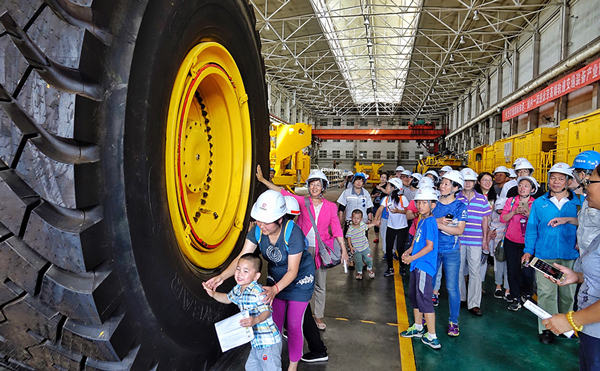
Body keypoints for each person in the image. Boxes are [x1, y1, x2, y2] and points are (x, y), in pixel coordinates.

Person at [205, 190, 315, 371]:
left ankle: (293, 367)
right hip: (276, 277)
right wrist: (221, 277)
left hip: (299, 280)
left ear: (280, 219)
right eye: (258, 219)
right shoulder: (258, 230)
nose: (260, 225)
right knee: (274, 321)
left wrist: (274, 290)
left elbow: (293, 270)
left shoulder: (292, 233)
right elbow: (243, 256)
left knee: (294, 324)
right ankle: (272, 362)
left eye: (266, 221)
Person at [256, 166, 347, 362]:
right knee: (298, 287)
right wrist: (264, 181)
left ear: (323, 187)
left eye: (318, 184)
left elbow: (337, 228)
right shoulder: (302, 201)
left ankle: (318, 317)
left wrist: (344, 249)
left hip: (322, 249)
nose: (314, 187)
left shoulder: (331, 206)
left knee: (319, 285)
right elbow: (282, 193)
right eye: (312, 184)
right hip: (301, 249)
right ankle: (300, 322)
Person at [542, 163, 600, 370]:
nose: (585, 187)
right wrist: (577, 276)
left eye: (589, 181)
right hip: (592, 330)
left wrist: (571, 320)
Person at [522, 163, 580, 345]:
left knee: (567, 294)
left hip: (569, 255)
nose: (556, 182)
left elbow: (587, 226)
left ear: (568, 181)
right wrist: (528, 251)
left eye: (561, 178)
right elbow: (532, 228)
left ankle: (565, 326)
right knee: (546, 293)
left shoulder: (579, 202)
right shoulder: (540, 203)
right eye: (553, 177)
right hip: (545, 254)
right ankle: (547, 328)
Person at [203, 254, 282, 371]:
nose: (240, 274)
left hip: (268, 342)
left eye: (246, 271)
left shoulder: (257, 291)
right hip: (256, 343)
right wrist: (213, 294)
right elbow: (228, 299)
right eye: (238, 269)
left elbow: (267, 312)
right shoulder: (238, 288)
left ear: (256, 276)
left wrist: (255, 320)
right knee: (251, 367)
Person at [400, 186, 441, 349]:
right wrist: (408, 251)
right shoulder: (421, 220)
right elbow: (418, 241)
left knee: (424, 299)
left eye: (425, 202)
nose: (420, 205)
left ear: (433, 205)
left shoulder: (430, 221)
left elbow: (429, 246)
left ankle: (432, 336)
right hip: (416, 264)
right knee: (415, 297)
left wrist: (412, 258)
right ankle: (418, 327)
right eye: (419, 202)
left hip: (424, 265)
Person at [431, 170, 467, 336]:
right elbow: (422, 222)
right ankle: (425, 315)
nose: (442, 186)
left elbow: (459, 230)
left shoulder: (460, 206)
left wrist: (439, 225)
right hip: (431, 250)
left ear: (456, 187)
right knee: (428, 286)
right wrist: (437, 222)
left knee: (452, 287)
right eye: (442, 183)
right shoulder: (433, 203)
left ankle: (454, 321)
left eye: (446, 184)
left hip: (451, 252)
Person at [500, 176, 538, 312]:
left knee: (528, 271)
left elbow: (540, 222)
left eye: (526, 186)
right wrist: (514, 212)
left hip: (528, 244)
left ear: (532, 189)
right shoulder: (511, 202)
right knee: (513, 270)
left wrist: (529, 215)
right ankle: (516, 297)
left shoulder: (536, 204)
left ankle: (527, 295)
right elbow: (503, 218)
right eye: (520, 185)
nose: (522, 188)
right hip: (511, 241)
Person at [457, 168, 491, 316]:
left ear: (475, 182)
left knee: (475, 272)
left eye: (470, 181)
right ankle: (460, 298)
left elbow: (485, 220)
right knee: (458, 271)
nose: (468, 183)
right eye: (465, 180)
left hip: (476, 240)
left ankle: (474, 303)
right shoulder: (456, 198)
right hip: (458, 240)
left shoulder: (482, 199)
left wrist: (485, 240)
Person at [338, 172, 374, 268]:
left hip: (363, 221)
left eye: (361, 181)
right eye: (357, 180)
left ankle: (363, 259)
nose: (359, 183)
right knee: (349, 240)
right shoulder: (346, 192)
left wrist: (370, 219)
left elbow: (369, 208)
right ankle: (351, 260)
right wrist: (341, 218)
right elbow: (341, 207)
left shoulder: (366, 193)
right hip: (350, 221)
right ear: (353, 181)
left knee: (363, 241)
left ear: (363, 183)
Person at [376, 178, 409, 277]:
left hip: (402, 227)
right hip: (391, 227)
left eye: (388, 186)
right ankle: (390, 268)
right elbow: (380, 209)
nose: (386, 187)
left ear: (393, 188)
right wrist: (376, 219)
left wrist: (399, 211)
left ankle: (402, 266)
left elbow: (409, 212)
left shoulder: (403, 199)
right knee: (389, 247)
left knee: (400, 248)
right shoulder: (386, 199)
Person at [346, 209, 377, 280]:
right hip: (357, 250)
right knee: (359, 262)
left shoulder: (362, 225)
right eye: (354, 218)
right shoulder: (350, 229)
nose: (356, 220)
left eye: (358, 218)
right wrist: (351, 247)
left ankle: (370, 268)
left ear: (361, 219)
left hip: (365, 248)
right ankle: (359, 272)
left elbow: (368, 226)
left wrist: (374, 224)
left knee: (369, 259)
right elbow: (349, 238)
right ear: (351, 218)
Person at [371, 173, 389, 243]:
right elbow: (372, 195)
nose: (383, 179)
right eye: (382, 177)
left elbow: (387, 192)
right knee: (376, 221)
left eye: (384, 177)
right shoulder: (376, 186)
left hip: (383, 206)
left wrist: (381, 188)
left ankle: (384, 237)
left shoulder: (387, 186)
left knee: (383, 221)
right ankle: (377, 237)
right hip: (376, 205)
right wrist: (375, 195)